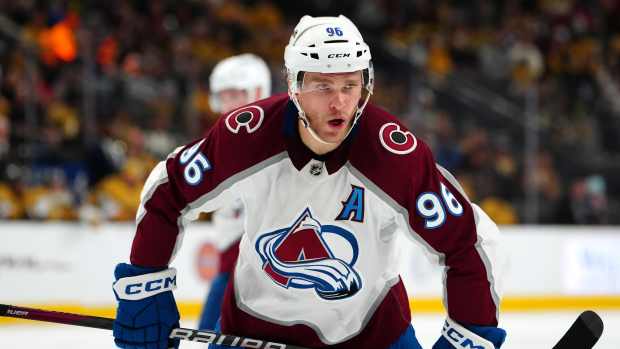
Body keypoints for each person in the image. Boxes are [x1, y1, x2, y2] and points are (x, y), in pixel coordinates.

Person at [111, 15, 506, 349]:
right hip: (253, 328)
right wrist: (145, 284)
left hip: (371, 334)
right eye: (322, 86)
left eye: (350, 86)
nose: (339, 104)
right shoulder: (246, 135)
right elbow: (170, 190)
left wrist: (469, 335)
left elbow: (466, 240)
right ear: (294, 84)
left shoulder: (395, 156)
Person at [198, 53, 272, 331]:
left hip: (256, 266)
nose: (228, 104)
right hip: (229, 261)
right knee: (209, 335)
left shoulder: (274, 138)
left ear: (256, 92)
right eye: (224, 96)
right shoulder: (219, 140)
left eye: (235, 94)